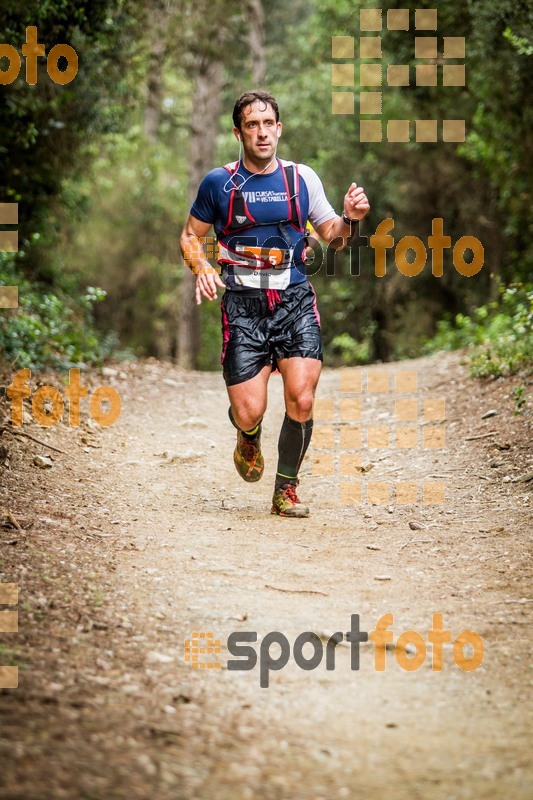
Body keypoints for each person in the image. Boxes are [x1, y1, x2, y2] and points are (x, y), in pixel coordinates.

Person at [180, 90, 369, 518]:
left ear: (279, 129)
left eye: (268, 124)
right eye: (252, 125)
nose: (262, 132)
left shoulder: (302, 179)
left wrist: (352, 219)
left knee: (301, 398)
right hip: (242, 306)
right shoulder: (219, 183)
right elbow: (190, 236)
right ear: (238, 132)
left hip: (294, 300)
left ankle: (286, 490)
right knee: (250, 410)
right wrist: (203, 267)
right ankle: (247, 434)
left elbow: (334, 238)